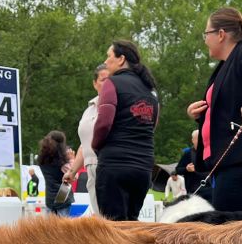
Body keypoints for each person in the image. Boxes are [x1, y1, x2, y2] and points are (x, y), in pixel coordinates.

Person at [187, 7, 242, 212]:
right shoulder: (223, 66)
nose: (205, 39)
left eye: (206, 33)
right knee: (231, 224)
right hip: (230, 161)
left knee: (226, 226)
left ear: (221, 35)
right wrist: (201, 114)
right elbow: (225, 110)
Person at [84, 40, 158, 221]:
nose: (106, 60)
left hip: (115, 165)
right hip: (143, 168)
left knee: (113, 229)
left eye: (109, 56)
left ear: (121, 59)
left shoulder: (112, 83)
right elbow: (152, 126)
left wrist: (96, 146)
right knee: (131, 223)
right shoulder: (150, 91)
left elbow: (103, 123)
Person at [64, 64, 109, 216]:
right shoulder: (88, 110)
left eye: (111, 80)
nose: (107, 84)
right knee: (100, 217)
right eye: (103, 80)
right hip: (91, 169)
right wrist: (72, 170)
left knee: (112, 219)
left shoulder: (117, 107)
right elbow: (84, 145)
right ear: (95, 83)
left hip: (109, 167)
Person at [38, 130, 74, 216]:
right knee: (63, 228)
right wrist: (72, 159)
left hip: (49, 197)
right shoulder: (63, 162)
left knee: (50, 227)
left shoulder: (42, 160)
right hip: (63, 194)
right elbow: (73, 176)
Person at [175, 129, 212, 201]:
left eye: (202, 138)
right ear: (193, 140)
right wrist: (187, 169)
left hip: (209, 189)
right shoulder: (188, 153)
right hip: (194, 191)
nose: (201, 140)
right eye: (198, 138)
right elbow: (178, 170)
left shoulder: (209, 152)